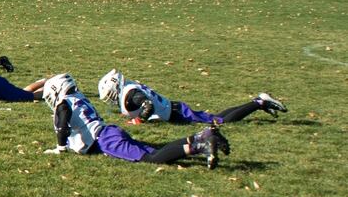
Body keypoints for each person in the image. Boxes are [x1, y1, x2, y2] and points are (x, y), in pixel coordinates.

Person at [41, 73, 231, 168]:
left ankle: (202, 146)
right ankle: (202, 135)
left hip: (105, 139)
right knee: (157, 150)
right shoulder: (79, 97)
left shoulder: (63, 104)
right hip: (110, 131)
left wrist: (60, 148)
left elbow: (63, 123)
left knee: (152, 158)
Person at [97, 69, 287, 125]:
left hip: (177, 112)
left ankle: (259, 102)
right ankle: (258, 103)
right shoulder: (129, 89)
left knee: (220, 120)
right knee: (216, 117)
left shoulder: (131, 94)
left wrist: (139, 120)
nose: (111, 99)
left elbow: (147, 106)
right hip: (174, 109)